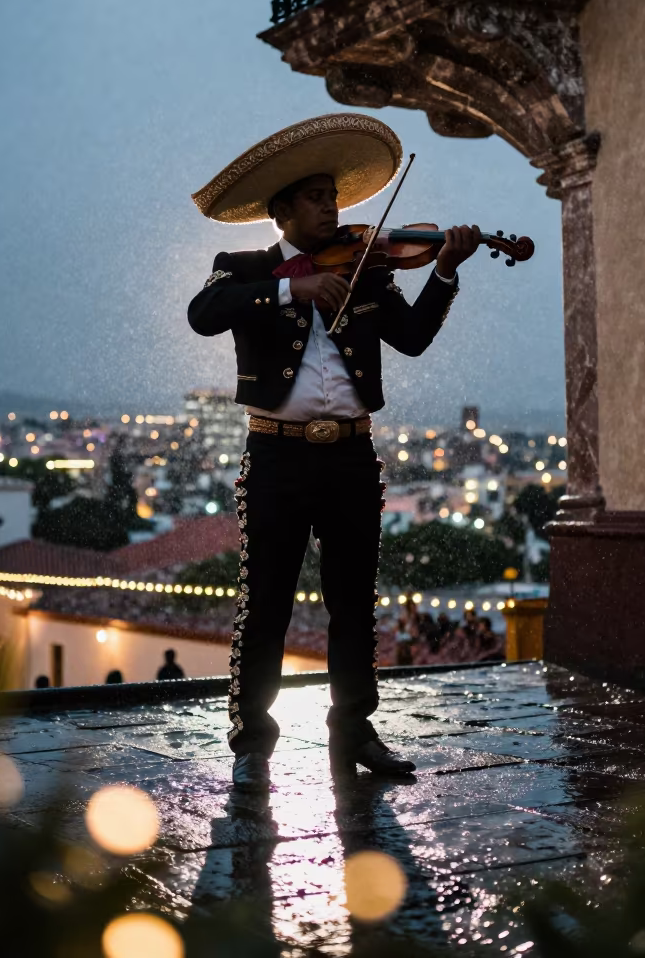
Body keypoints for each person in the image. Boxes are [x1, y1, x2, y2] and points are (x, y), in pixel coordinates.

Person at [187, 112, 481, 793]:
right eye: (317, 198)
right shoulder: (245, 269)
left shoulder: (369, 269)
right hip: (276, 457)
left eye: (334, 196)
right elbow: (204, 314)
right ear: (282, 211)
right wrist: (295, 288)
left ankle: (355, 729)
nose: (333, 207)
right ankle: (251, 730)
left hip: (352, 456)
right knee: (268, 599)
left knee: (354, 600)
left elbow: (410, 338)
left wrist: (443, 272)